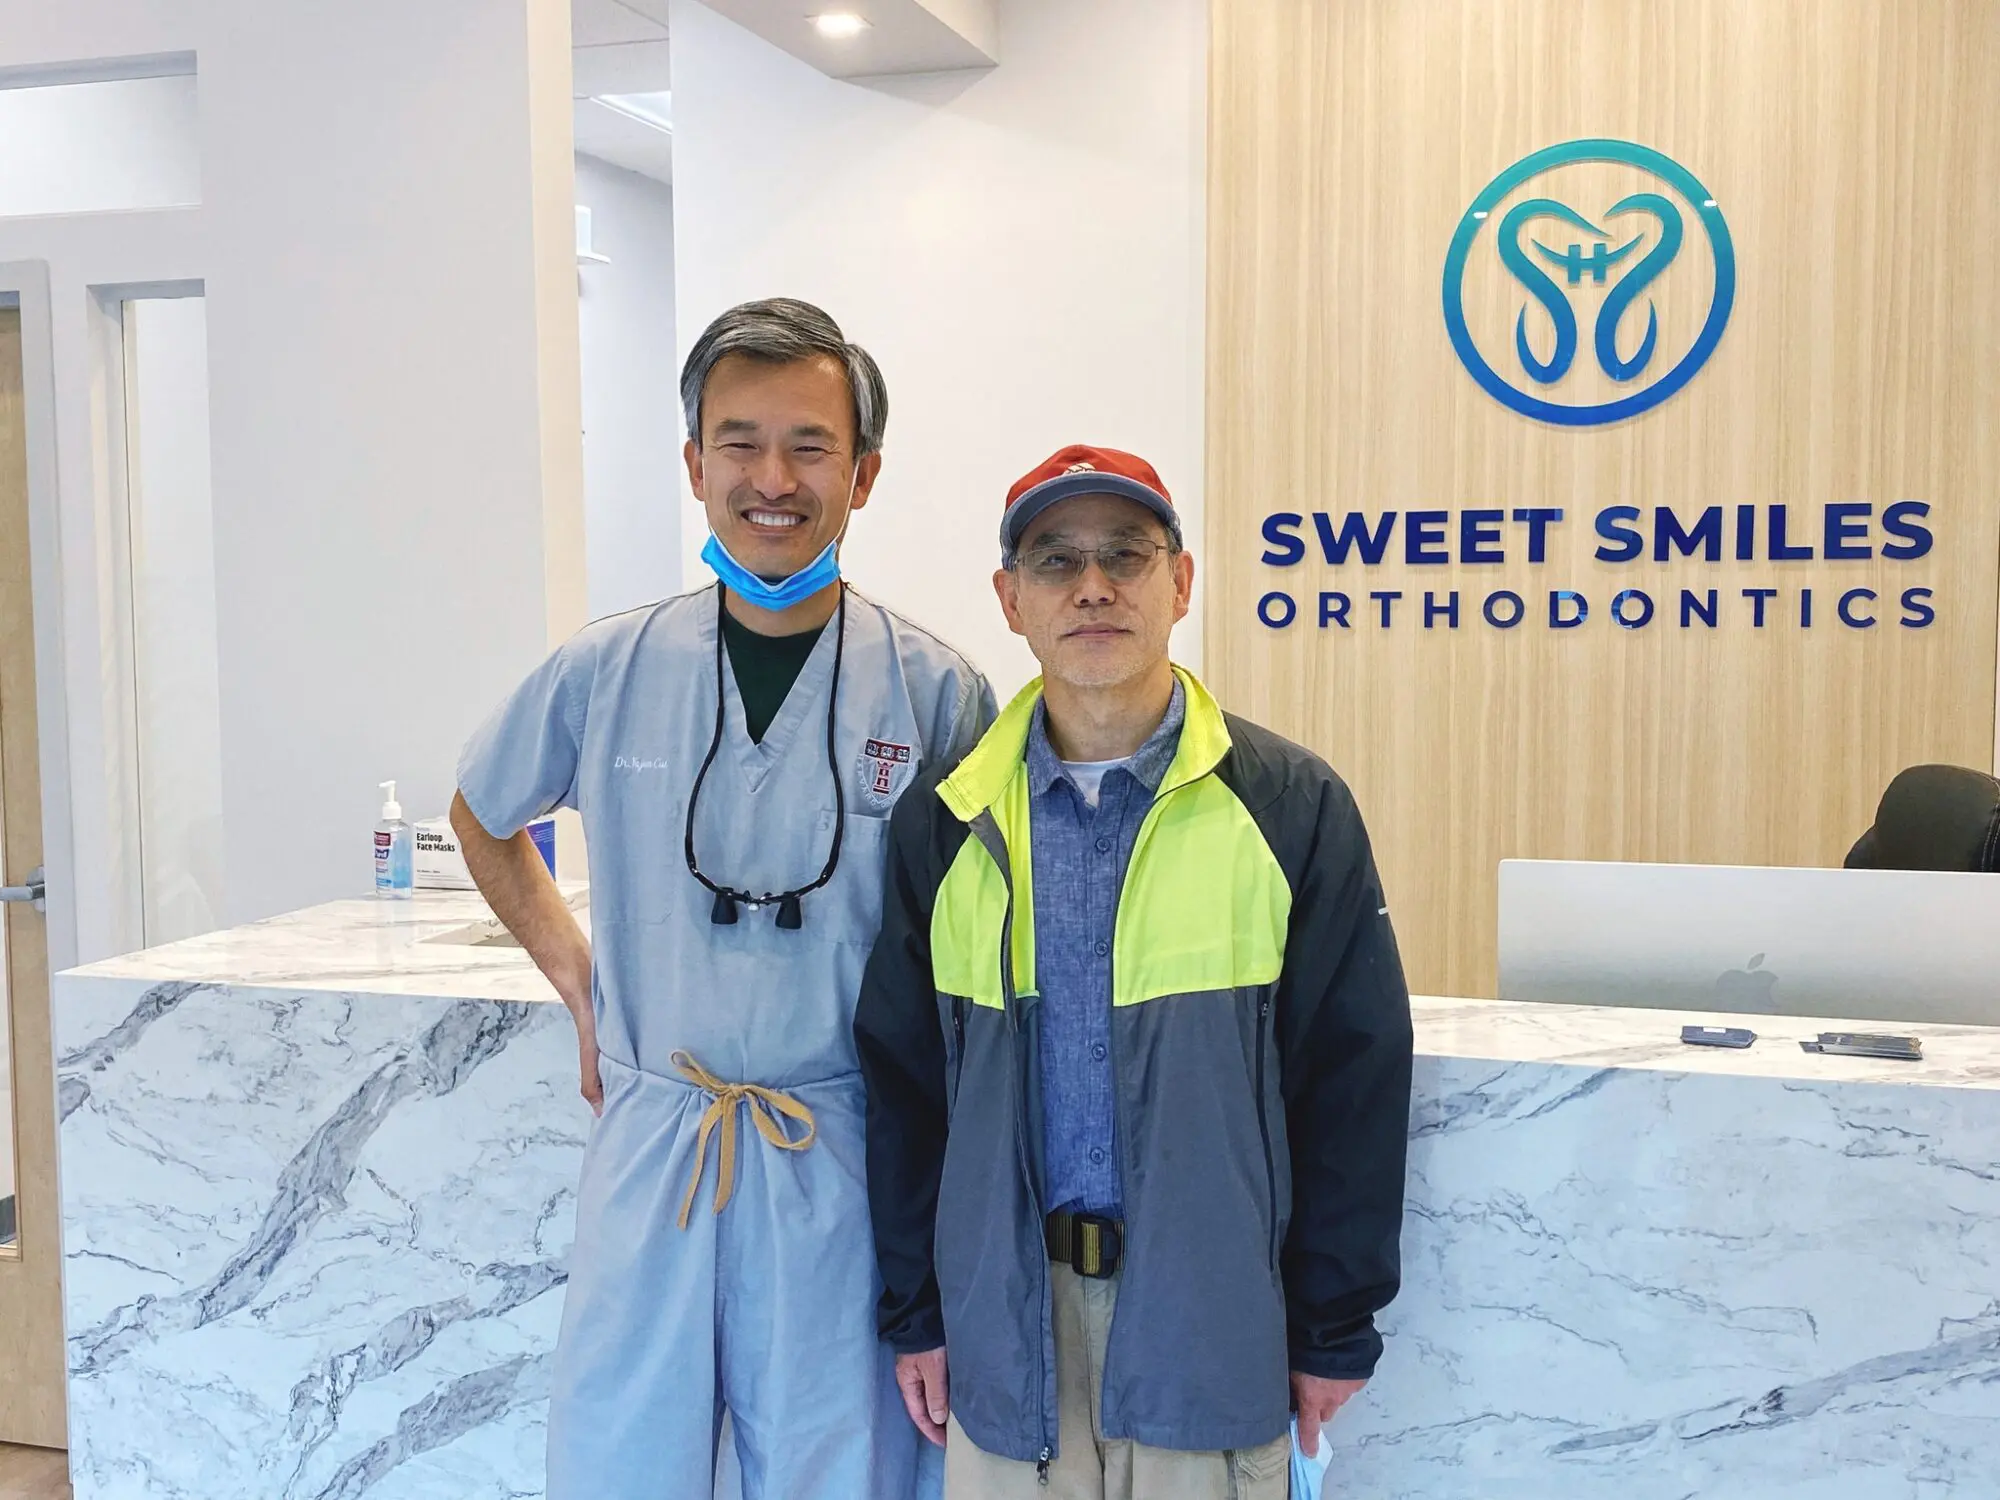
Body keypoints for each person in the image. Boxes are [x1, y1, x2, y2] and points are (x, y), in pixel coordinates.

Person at [451, 298, 995, 1500]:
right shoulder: (609, 667)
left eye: (809, 445)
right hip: (655, 1144)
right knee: (620, 1460)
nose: (771, 478)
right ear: (694, 465)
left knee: (836, 1464)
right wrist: (576, 972)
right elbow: (484, 813)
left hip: (840, 1155)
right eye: (738, 443)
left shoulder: (935, 691)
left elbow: (983, 950)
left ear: (864, 473)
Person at [854, 445, 1413, 1499]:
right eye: (1055, 561)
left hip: (1208, 1316)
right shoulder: (949, 818)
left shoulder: (1289, 806)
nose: (1093, 586)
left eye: (1126, 554)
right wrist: (916, 1311)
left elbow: (1353, 1079)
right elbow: (906, 1088)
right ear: (1009, 599)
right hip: (1004, 1325)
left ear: (1181, 582)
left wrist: (1332, 1325)